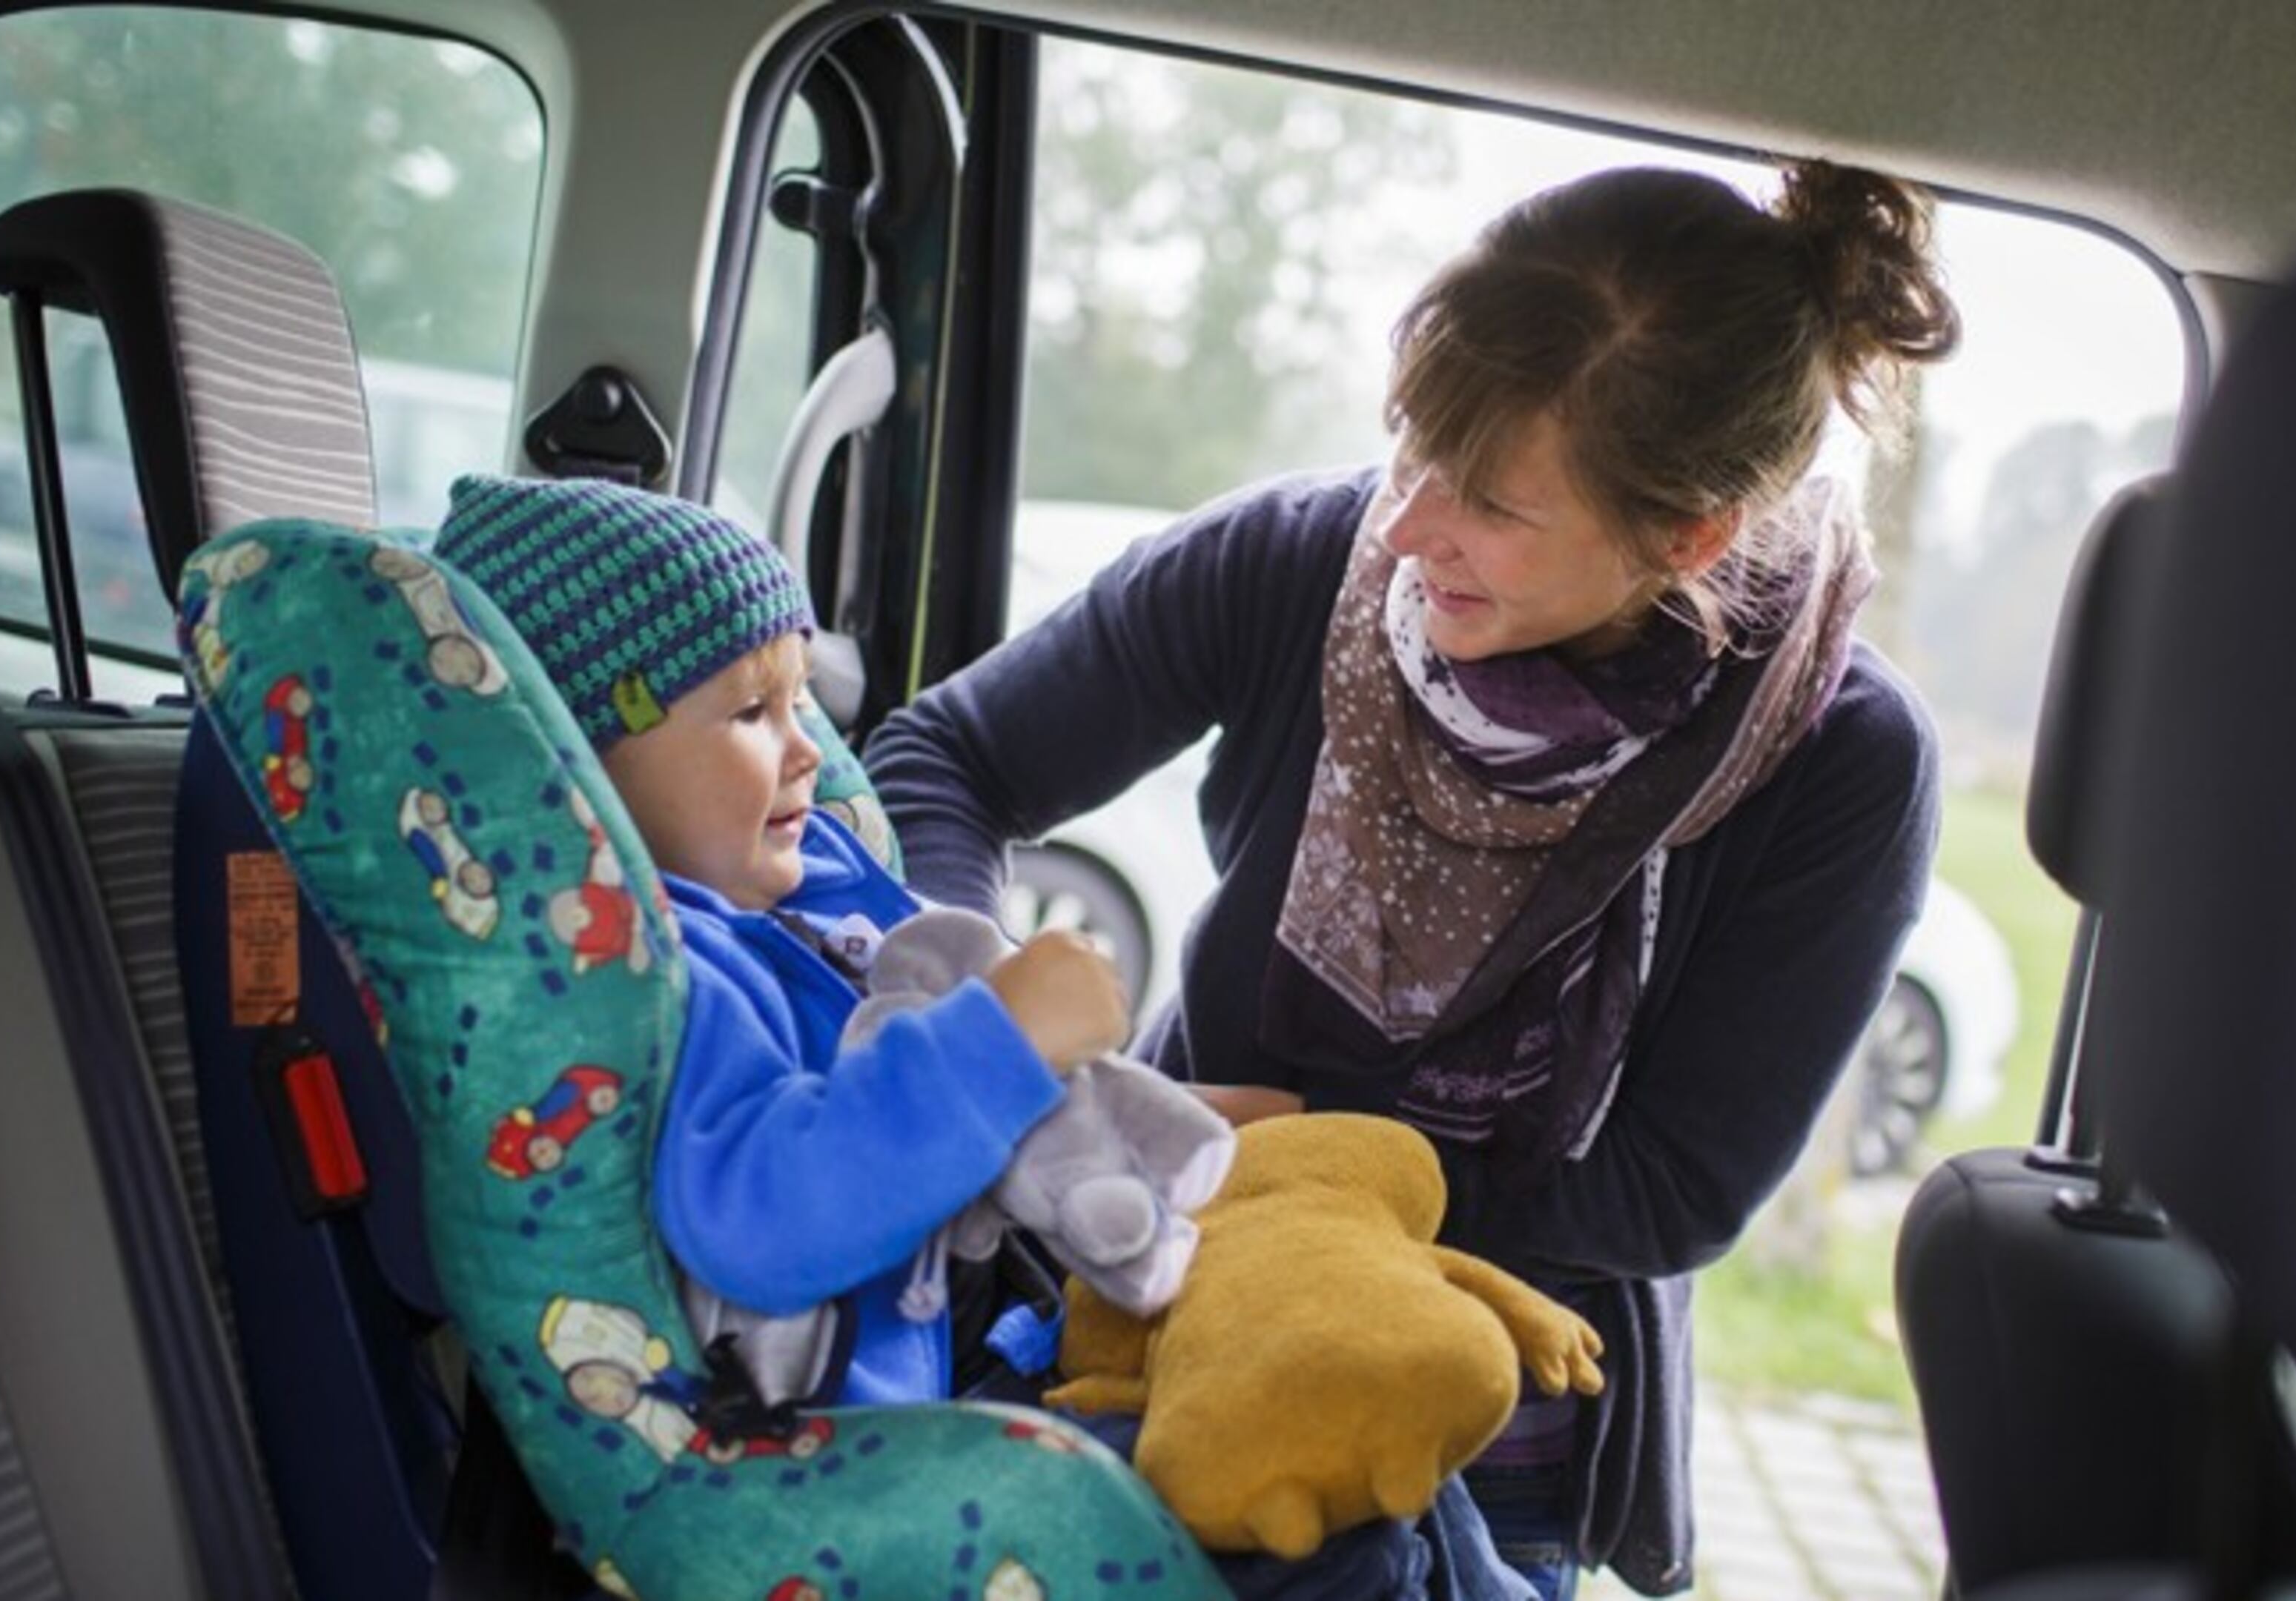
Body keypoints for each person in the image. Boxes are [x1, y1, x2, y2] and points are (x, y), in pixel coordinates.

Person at [863, 158, 1960, 1598]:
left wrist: (1307, 1147)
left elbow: (1671, 1192)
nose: (1406, 526)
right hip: (1167, 1316)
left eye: (1493, 504)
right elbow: (949, 758)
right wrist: (970, 1009)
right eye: (1411, 447)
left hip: (1501, 1415)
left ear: (1686, 535)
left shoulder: (1844, 764)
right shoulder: (1295, 561)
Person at [434, 472, 1131, 1414]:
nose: (808, 750)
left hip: (994, 1336)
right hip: (871, 1446)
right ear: (580, 765)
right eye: (753, 713)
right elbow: (765, 1218)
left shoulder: (801, 905)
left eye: (802, 705)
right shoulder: (662, 976)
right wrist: (1001, 1042)